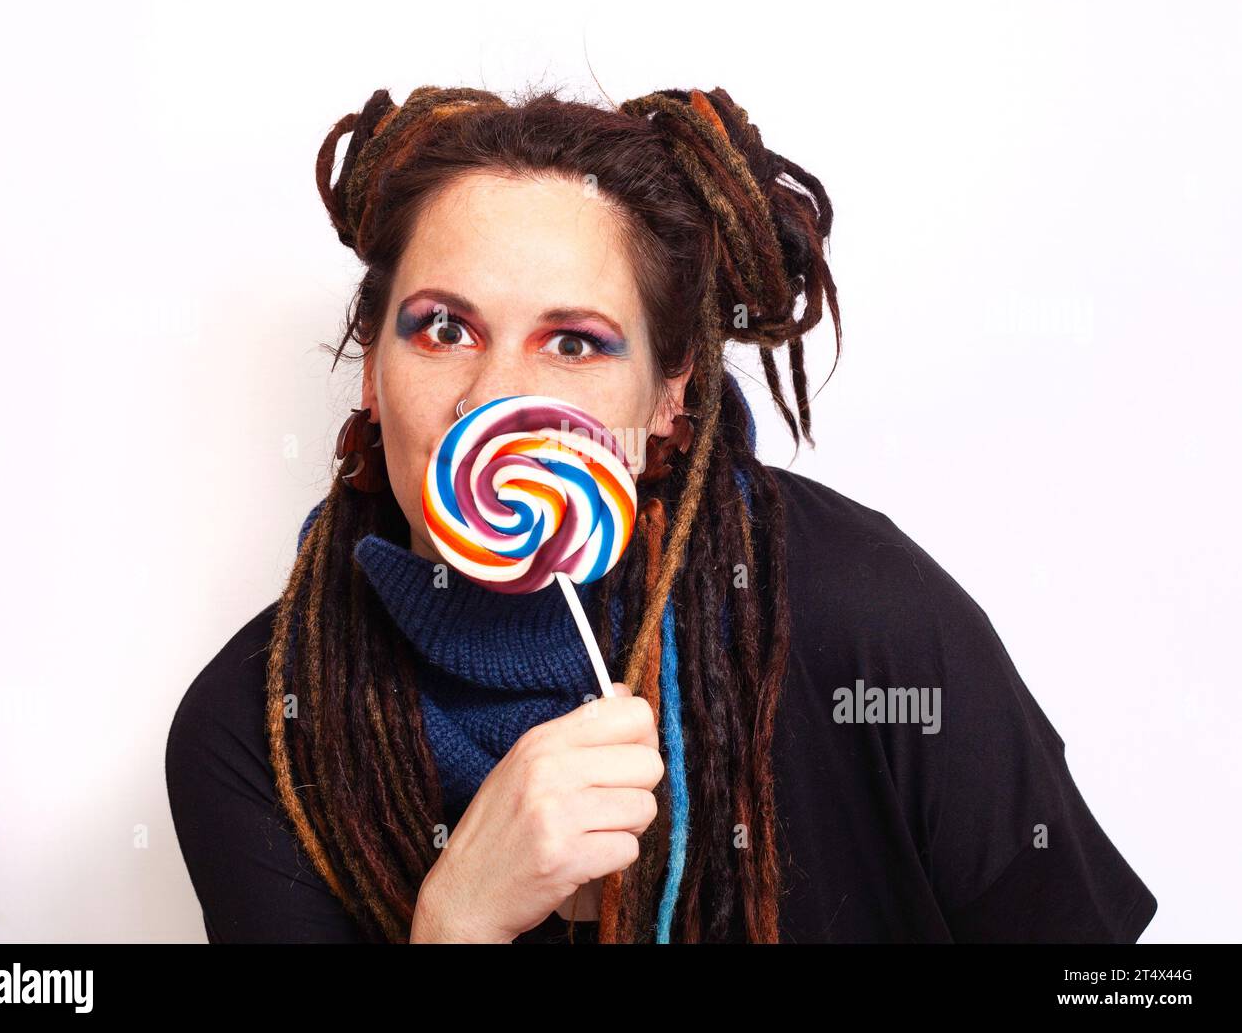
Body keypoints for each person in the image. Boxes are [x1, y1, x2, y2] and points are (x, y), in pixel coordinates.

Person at [165, 85, 1157, 944]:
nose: (492, 397)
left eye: (575, 343)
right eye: (444, 328)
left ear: (672, 391)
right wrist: (460, 917)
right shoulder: (258, 729)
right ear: (372, 371)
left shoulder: (868, 618)